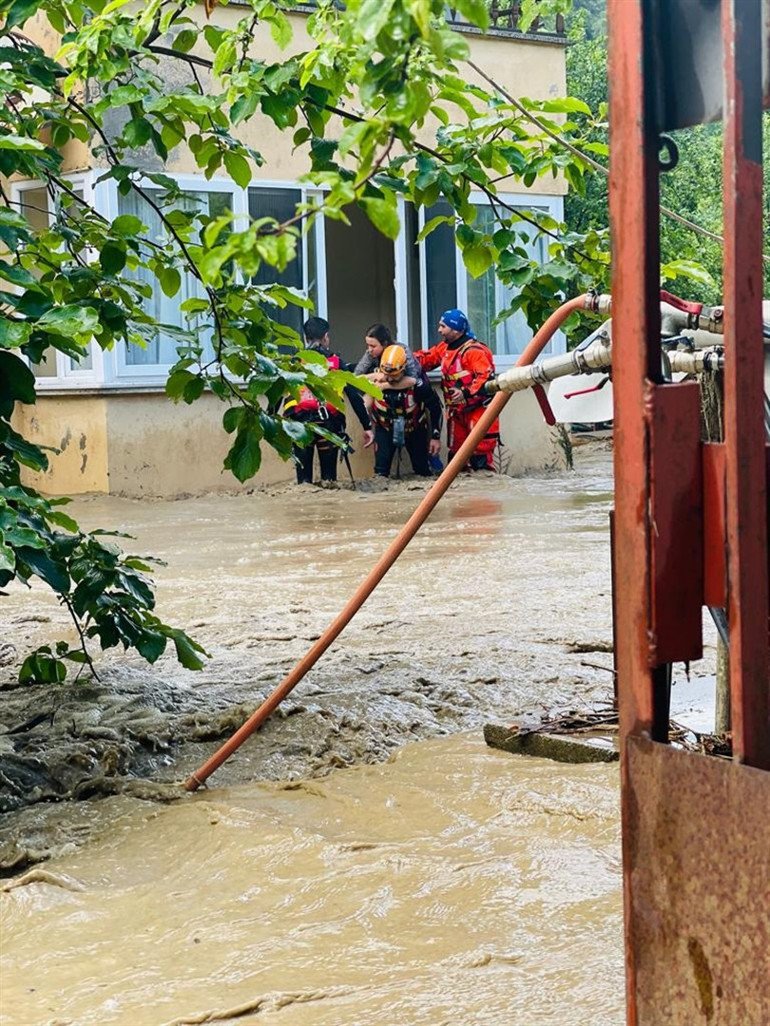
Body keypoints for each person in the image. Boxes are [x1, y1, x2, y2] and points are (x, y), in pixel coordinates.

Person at [284, 316, 373, 484]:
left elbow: (277, 394)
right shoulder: (337, 363)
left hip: (299, 424)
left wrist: (271, 418)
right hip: (329, 423)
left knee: (303, 484)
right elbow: (354, 396)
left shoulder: (294, 362)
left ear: (305, 338)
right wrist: (367, 426)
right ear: (325, 337)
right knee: (329, 482)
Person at [414, 308, 499, 470]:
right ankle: (460, 494)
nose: (439, 330)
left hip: (477, 409)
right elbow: (426, 359)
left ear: (457, 329)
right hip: (456, 412)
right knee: (456, 457)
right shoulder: (445, 348)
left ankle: (483, 494)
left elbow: (485, 377)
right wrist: (402, 358)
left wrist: (465, 393)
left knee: (479, 457)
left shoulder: (474, 351)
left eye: (443, 327)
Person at [365, 344, 443, 478]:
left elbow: (435, 409)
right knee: (380, 473)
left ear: (404, 369)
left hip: (415, 429)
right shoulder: (375, 379)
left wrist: (435, 437)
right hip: (384, 428)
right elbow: (364, 403)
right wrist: (366, 427)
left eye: (394, 376)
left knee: (422, 471)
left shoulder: (419, 385)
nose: (389, 379)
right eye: (386, 374)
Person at [354, 323, 421, 380]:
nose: (370, 349)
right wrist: (375, 375)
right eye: (368, 345)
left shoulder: (402, 351)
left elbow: (413, 377)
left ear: (384, 344)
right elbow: (357, 373)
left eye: (373, 346)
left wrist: (384, 384)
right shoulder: (370, 353)